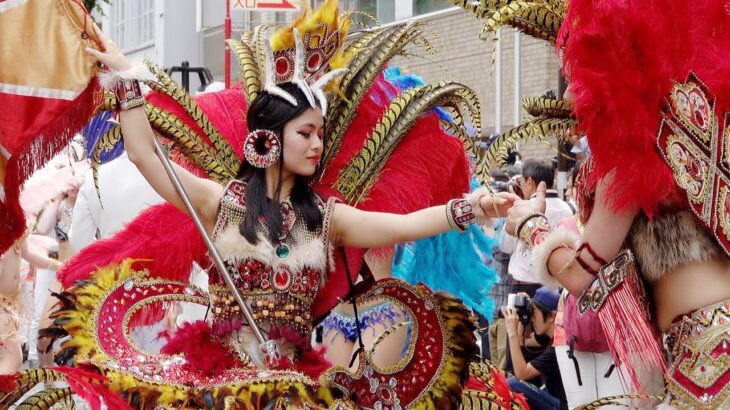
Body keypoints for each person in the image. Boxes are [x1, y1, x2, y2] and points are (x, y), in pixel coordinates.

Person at [84, 28, 517, 374]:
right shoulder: (222, 203)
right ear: (268, 138)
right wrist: (126, 80)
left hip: (292, 388)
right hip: (217, 383)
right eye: (305, 134)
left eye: (321, 135)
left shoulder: (327, 220)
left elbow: (403, 226)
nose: (316, 146)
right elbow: (143, 154)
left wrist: (472, 208)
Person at [500, 158, 573, 297]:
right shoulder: (569, 208)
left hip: (523, 286)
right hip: (555, 289)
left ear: (530, 182)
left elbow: (505, 246)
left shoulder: (522, 208)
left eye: (521, 181)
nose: (520, 185)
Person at [501, 287, 567, 410]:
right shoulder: (548, 336)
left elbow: (521, 374)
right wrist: (523, 313)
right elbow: (522, 341)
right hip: (554, 397)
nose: (532, 319)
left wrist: (511, 333)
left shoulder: (559, 346)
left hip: (564, 406)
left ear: (551, 316)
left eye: (534, 313)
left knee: (513, 384)